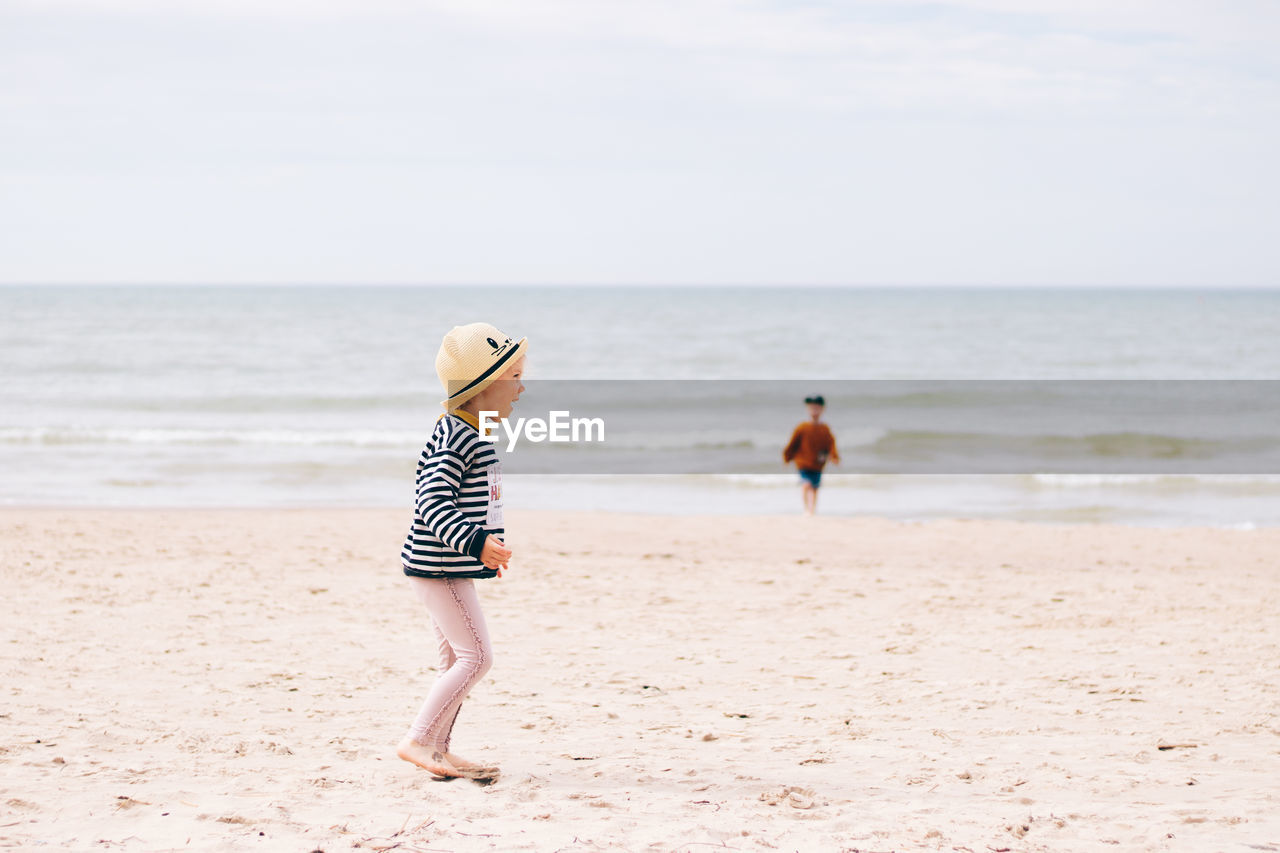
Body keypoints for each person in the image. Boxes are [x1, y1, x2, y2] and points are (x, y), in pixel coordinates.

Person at [396, 322, 527, 780]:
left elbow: (474, 501)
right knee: (477, 658)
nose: (522, 387)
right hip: (438, 568)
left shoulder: (469, 432)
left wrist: (486, 549)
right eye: (514, 378)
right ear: (483, 387)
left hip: (447, 565)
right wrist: (476, 543)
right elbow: (432, 500)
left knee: (455, 660)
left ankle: (438, 749)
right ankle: (417, 740)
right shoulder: (456, 436)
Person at [782, 395, 840, 516]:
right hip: (803, 462)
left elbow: (831, 444)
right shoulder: (802, 427)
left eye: (817, 409)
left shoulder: (825, 428)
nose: (815, 411)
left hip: (818, 463)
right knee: (805, 485)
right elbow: (793, 443)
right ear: (808, 410)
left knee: (814, 488)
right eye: (812, 408)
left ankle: (812, 509)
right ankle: (806, 509)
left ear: (822, 410)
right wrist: (787, 456)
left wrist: (834, 456)